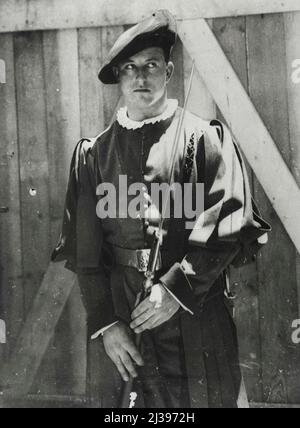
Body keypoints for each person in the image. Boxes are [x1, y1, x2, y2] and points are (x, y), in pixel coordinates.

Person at [52, 10, 270, 408]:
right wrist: (105, 324)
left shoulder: (207, 141)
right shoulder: (93, 156)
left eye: (151, 65)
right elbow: (85, 257)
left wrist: (175, 290)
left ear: (168, 71)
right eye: (130, 68)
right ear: (118, 77)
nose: (140, 77)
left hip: (194, 315)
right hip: (123, 323)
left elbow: (227, 233)